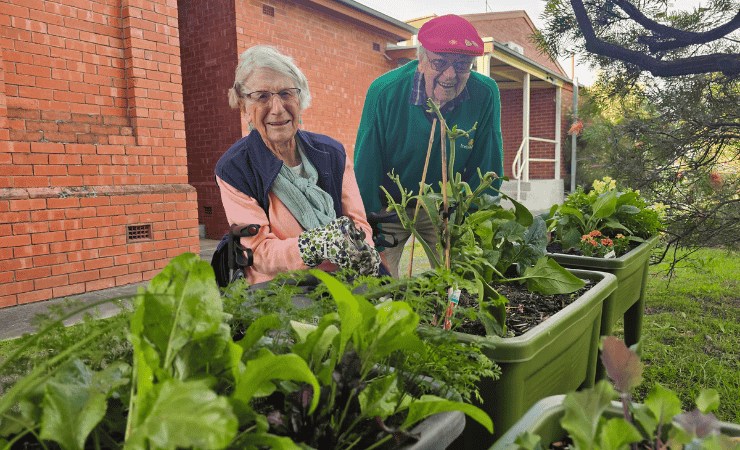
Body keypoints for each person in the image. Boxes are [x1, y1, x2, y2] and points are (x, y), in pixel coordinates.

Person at [353, 14, 504, 277]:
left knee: (456, 285)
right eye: (439, 62)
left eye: (462, 65)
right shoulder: (385, 91)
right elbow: (367, 162)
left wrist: (472, 221)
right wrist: (370, 226)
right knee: (377, 284)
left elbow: (487, 162)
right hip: (391, 207)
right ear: (421, 59)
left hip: (446, 209)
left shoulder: (486, 93)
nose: (450, 74)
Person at [215, 45, 381, 285]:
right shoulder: (235, 168)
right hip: (279, 289)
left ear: (300, 99)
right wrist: (315, 246)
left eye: (286, 93)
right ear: (243, 107)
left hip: (343, 277)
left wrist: (361, 249)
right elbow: (259, 253)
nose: (278, 108)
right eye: (262, 96)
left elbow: (358, 223)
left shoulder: (332, 152)